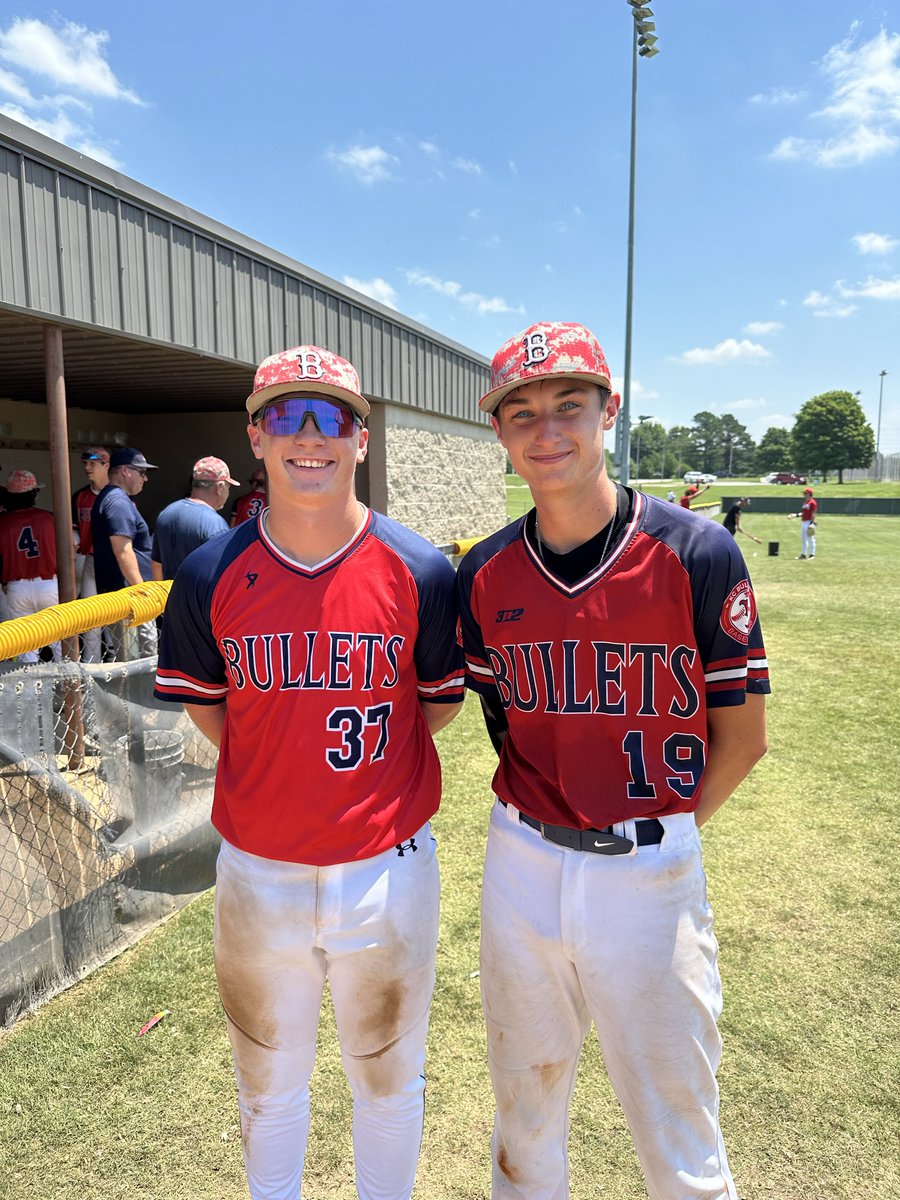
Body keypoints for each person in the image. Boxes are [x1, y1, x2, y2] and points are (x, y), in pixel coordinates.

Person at [456, 321, 770, 1200]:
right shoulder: (483, 574)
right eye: (521, 413)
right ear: (500, 433)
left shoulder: (696, 552)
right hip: (522, 859)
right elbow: (504, 726)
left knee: (679, 1131)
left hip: (650, 867)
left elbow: (742, 738)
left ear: (609, 412)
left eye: (568, 405)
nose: (546, 429)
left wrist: (664, 835)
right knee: (523, 1115)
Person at [153, 344, 464, 1200]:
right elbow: (212, 710)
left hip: (387, 868)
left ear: (362, 439)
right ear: (256, 435)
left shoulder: (421, 569)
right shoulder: (209, 572)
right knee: (268, 1091)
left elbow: (433, 706)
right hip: (260, 872)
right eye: (288, 415)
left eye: (333, 417)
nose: (311, 436)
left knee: (391, 1085)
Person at [91, 447, 159, 659]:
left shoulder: (114, 498)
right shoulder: (117, 501)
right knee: (136, 661)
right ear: (125, 471)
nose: (145, 479)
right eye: (142, 472)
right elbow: (123, 551)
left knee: (134, 659)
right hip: (129, 597)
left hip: (124, 594)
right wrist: (142, 592)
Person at [0, 470, 62, 662]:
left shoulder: (2, 523)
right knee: (60, 642)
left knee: (27, 646)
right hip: (48, 585)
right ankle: (71, 689)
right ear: (33, 494)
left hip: (17, 588)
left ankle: (32, 691)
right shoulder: (49, 518)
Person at [150, 455, 237, 580]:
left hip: (169, 596)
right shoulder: (215, 524)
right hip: (200, 599)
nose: (228, 492)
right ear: (220, 487)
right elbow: (224, 576)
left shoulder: (167, 513)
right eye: (229, 487)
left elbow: (157, 564)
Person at [72, 446, 110, 661]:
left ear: (106, 465)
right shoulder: (80, 496)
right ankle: (91, 664)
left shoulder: (116, 494)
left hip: (113, 562)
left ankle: (119, 660)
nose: (87, 468)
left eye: (93, 463)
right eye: (85, 463)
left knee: (117, 613)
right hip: (90, 560)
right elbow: (75, 530)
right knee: (91, 616)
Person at [790, 486, 818, 559]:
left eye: (805, 493)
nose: (804, 495)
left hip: (809, 522)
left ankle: (812, 555)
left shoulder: (812, 502)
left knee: (811, 539)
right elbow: (804, 513)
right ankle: (803, 554)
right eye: (804, 493)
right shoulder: (805, 502)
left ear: (809, 494)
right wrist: (795, 515)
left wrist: (812, 523)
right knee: (803, 539)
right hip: (804, 521)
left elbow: (813, 513)